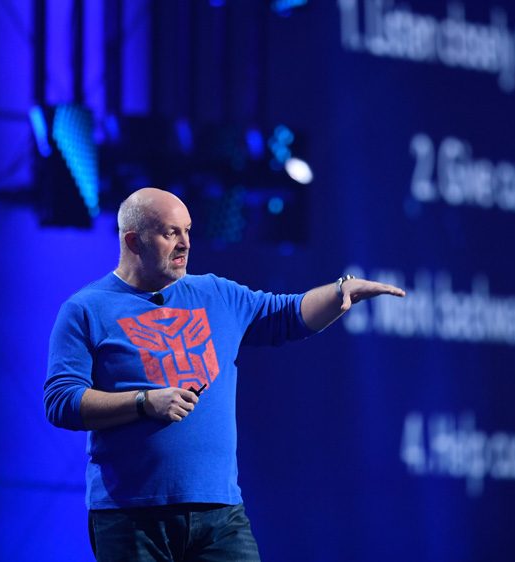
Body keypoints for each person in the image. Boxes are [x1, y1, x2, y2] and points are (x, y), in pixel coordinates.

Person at [44, 187, 405, 561]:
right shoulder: (86, 309)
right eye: (170, 233)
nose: (185, 243)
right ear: (133, 241)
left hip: (220, 514)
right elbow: (61, 402)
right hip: (131, 516)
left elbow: (288, 314)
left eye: (187, 231)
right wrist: (144, 402)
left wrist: (340, 290)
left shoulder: (216, 294)